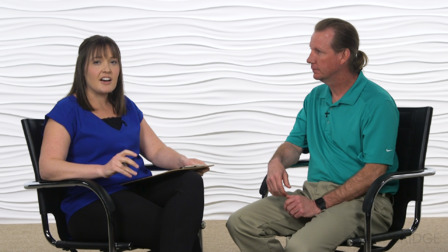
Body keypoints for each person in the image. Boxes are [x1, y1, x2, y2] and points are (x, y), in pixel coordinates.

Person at [226, 18, 399, 252]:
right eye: (310, 50)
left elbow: (374, 172)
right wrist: (276, 162)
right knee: (241, 223)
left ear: (343, 55)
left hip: (365, 203)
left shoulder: (377, 103)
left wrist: (319, 204)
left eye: (318, 51)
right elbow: (293, 146)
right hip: (314, 193)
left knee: (300, 247)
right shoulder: (315, 98)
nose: (309, 59)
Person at [39, 35, 207, 252]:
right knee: (180, 230)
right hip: (92, 201)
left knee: (190, 181)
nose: (107, 69)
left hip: (134, 189)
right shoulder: (67, 110)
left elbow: (156, 150)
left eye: (113, 61)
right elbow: (48, 167)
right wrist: (103, 169)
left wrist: (182, 161)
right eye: (97, 62)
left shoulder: (126, 106)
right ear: (83, 68)